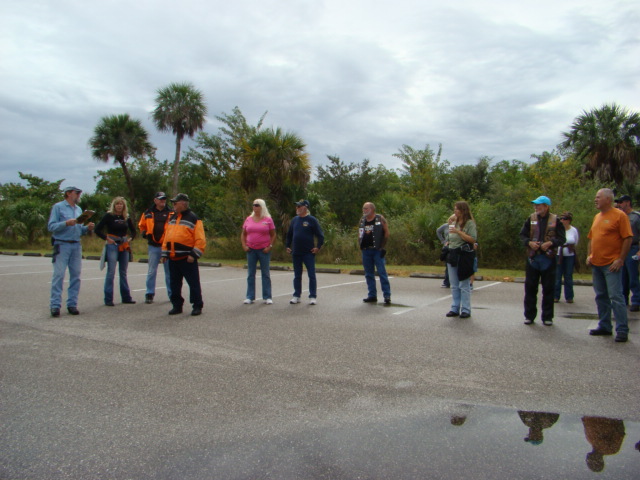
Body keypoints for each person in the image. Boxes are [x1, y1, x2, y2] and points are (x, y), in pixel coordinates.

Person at [586, 188, 632, 342]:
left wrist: (620, 259)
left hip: (611, 264)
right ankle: (605, 326)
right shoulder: (597, 216)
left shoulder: (619, 215)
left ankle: (622, 329)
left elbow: (627, 238)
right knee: (601, 296)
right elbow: (592, 238)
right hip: (597, 264)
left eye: (598, 197)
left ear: (608, 199)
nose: (595, 200)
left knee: (616, 296)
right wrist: (590, 255)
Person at [47, 186, 95, 316]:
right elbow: (51, 226)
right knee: (59, 275)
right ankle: (55, 305)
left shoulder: (78, 209)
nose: (79, 195)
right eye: (77, 192)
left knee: (76, 276)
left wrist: (87, 228)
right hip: (62, 244)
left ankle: (72, 304)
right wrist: (65, 223)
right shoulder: (58, 207)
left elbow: (79, 229)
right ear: (68, 193)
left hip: (76, 245)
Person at [519, 196, 565, 326]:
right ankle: (529, 316)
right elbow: (522, 235)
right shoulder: (531, 218)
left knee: (549, 289)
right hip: (533, 257)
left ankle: (547, 317)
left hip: (548, 258)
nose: (536, 207)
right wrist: (529, 242)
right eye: (535, 205)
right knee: (530, 288)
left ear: (546, 206)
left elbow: (562, 239)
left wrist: (551, 243)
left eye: (539, 205)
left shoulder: (556, 220)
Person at [161, 193, 206, 316]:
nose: (173, 205)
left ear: (183, 204)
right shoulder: (172, 217)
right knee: (174, 283)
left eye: (175, 203)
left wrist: (194, 254)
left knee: (193, 283)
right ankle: (177, 305)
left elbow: (200, 239)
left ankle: (197, 305)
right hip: (173, 257)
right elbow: (167, 237)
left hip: (187, 258)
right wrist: (164, 253)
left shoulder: (194, 218)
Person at [95, 197, 137, 306]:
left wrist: (130, 238)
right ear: (114, 205)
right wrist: (106, 238)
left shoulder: (126, 217)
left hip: (123, 244)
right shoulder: (109, 216)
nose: (119, 206)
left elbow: (133, 231)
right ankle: (108, 298)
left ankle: (126, 297)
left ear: (124, 206)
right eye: (117, 204)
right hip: (112, 244)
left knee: (123, 272)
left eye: (121, 204)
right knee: (111, 271)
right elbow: (97, 229)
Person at [285, 199, 324, 305]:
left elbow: (320, 235)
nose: (297, 208)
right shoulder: (294, 220)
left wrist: (318, 247)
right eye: (296, 206)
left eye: (299, 206)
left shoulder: (312, 220)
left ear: (305, 207)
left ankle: (312, 296)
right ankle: (296, 295)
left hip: (308, 252)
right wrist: (287, 245)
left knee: (311, 274)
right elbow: (289, 234)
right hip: (296, 252)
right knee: (297, 275)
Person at [138, 191, 173, 304]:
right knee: (152, 270)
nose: (163, 200)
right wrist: (144, 233)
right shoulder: (148, 212)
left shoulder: (171, 212)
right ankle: (149, 293)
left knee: (169, 272)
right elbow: (141, 225)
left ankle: (172, 293)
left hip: (166, 246)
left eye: (164, 199)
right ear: (155, 200)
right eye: (160, 199)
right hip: (153, 245)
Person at [445, 201, 477, 318]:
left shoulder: (469, 224)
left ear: (463, 210)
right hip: (452, 253)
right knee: (454, 284)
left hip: (463, 255)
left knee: (464, 283)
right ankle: (454, 307)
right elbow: (450, 235)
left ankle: (466, 309)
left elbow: (472, 239)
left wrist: (458, 232)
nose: (455, 211)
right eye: (454, 209)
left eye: (457, 209)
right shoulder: (454, 222)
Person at [241, 199, 276, 304]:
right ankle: (250, 296)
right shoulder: (248, 219)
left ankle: (267, 296)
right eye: (253, 205)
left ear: (262, 207)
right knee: (250, 273)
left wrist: (269, 246)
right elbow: (243, 233)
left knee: (265, 273)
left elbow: (273, 234)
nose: (254, 207)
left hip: (264, 250)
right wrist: (244, 245)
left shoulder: (268, 219)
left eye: (257, 205)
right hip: (251, 249)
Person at [359, 202, 392, 304]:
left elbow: (386, 233)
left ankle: (387, 295)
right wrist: (360, 245)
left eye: (366, 208)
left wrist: (382, 246)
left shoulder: (379, 218)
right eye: (363, 209)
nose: (364, 210)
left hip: (377, 250)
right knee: (369, 274)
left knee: (382, 272)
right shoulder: (362, 220)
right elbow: (360, 233)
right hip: (366, 250)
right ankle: (372, 295)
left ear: (372, 209)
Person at [614, 194, 640, 311]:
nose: (619, 204)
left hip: (633, 248)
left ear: (627, 203)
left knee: (633, 275)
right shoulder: (620, 216)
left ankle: (636, 300)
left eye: (621, 202)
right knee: (622, 275)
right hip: (622, 248)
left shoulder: (636, 217)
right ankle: (623, 299)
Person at [554, 211, 579, 304]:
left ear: (568, 220)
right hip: (558, 255)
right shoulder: (558, 229)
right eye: (561, 219)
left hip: (569, 256)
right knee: (557, 276)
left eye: (564, 219)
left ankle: (569, 297)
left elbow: (576, 241)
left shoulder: (573, 230)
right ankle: (556, 296)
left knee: (568, 276)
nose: (562, 220)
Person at [436, 216, 454, 288]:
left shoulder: (457, 227)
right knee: (447, 265)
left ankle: (456, 282)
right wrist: (443, 240)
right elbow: (438, 231)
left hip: (455, 246)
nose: (451, 221)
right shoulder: (445, 226)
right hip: (447, 247)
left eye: (453, 220)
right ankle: (446, 282)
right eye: (450, 219)